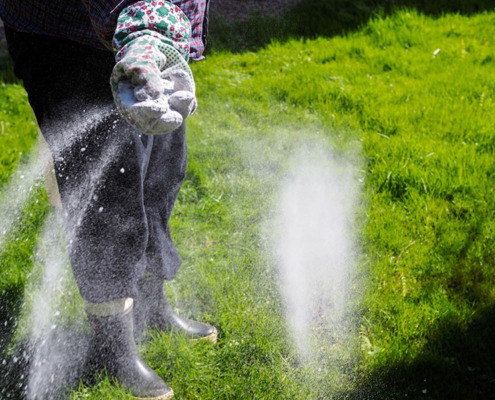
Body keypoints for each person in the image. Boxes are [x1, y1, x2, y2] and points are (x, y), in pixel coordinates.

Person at [0, 1, 215, 399]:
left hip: (146, 32)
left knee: (161, 167)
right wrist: (147, 29)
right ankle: (113, 345)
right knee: (106, 196)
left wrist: (161, 37)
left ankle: (151, 306)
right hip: (66, 33)